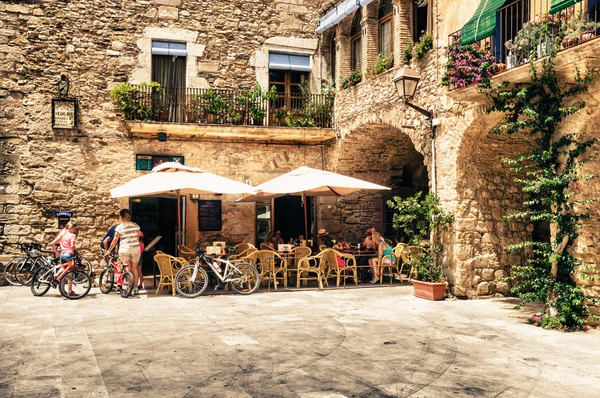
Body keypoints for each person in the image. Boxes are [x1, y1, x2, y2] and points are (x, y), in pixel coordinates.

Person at [104, 209, 141, 295]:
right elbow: (137, 237)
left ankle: (129, 287)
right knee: (135, 268)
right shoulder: (136, 225)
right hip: (135, 248)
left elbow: (115, 240)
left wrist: (109, 250)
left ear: (121, 217)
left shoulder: (120, 227)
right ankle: (135, 288)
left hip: (125, 249)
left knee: (127, 268)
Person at [50, 221, 77, 296]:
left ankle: (62, 292)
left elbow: (52, 243)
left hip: (62, 254)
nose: (75, 230)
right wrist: (74, 246)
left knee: (63, 272)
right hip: (69, 254)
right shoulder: (72, 235)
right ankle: (69, 291)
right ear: (71, 228)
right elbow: (72, 246)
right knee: (69, 274)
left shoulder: (63, 234)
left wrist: (56, 252)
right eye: (74, 228)